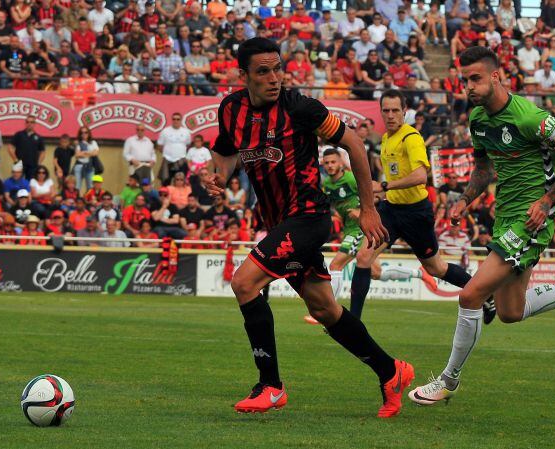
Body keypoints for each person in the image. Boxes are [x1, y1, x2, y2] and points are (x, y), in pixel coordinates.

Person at [203, 37, 413, 418]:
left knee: (244, 282)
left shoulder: (299, 107)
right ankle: (391, 371)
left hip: (309, 218)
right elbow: (224, 149)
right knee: (325, 309)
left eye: (277, 69)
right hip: (279, 223)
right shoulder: (230, 109)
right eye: (263, 72)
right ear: (243, 76)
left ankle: (271, 386)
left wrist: (368, 209)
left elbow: (354, 144)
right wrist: (216, 175)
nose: (273, 78)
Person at [410, 46, 555, 406]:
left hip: (532, 219)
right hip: (506, 216)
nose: (469, 87)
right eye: (465, 81)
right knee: (510, 312)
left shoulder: (530, 117)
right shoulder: (478, 119)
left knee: (470, 295)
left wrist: (546, 201)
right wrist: (465, 199)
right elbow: (482, 169)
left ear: (496, 76)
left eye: (476, 78)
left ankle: (449, 380)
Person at [344, 90, 494, 322]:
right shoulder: (385, 139)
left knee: (436, 268)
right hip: (391, 211)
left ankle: (486, 294)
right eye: (386, 110)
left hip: (416, 213)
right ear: (381, 112)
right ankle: (352, 322)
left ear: (405, 111)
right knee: (364, 258)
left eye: (396, 110)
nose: (391, 115)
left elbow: (420, 176)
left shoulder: (411, 138)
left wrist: (384, 185)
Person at [303, 148, 436, 324]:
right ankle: (419, 273)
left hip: (361, 228)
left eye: (333, 162)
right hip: (349, 229)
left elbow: (378, 193)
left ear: (341, 162)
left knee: (336, 265)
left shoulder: (350, 179)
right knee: (375, 272)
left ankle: (327, 312)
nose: (330, 165)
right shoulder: (327, 183)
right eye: (326, 163)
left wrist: (364, 211)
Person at [157, 112, 191, 183]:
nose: (176, 121)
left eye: (178, 119)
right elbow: (159, 146)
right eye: (174, 119)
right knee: (166, 181)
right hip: (168, 160)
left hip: (181, 161)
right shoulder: (165, 131)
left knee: (182, 182)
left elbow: (188, 145)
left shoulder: (186, 132)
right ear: (172, 120)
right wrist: (167, 153)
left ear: (180, 120)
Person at [8, 116, 45, 180]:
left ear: (34, 124)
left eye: (31, 122)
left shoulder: (38, 137)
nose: (29, 123)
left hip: (33, 166)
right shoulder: (19, 134)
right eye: (27, 122)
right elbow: (10, 147)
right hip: (20, 165)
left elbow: (43, 152)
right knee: (18, 183)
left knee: (30, 184)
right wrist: (16, 160)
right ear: (25, 123)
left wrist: (38, 163)